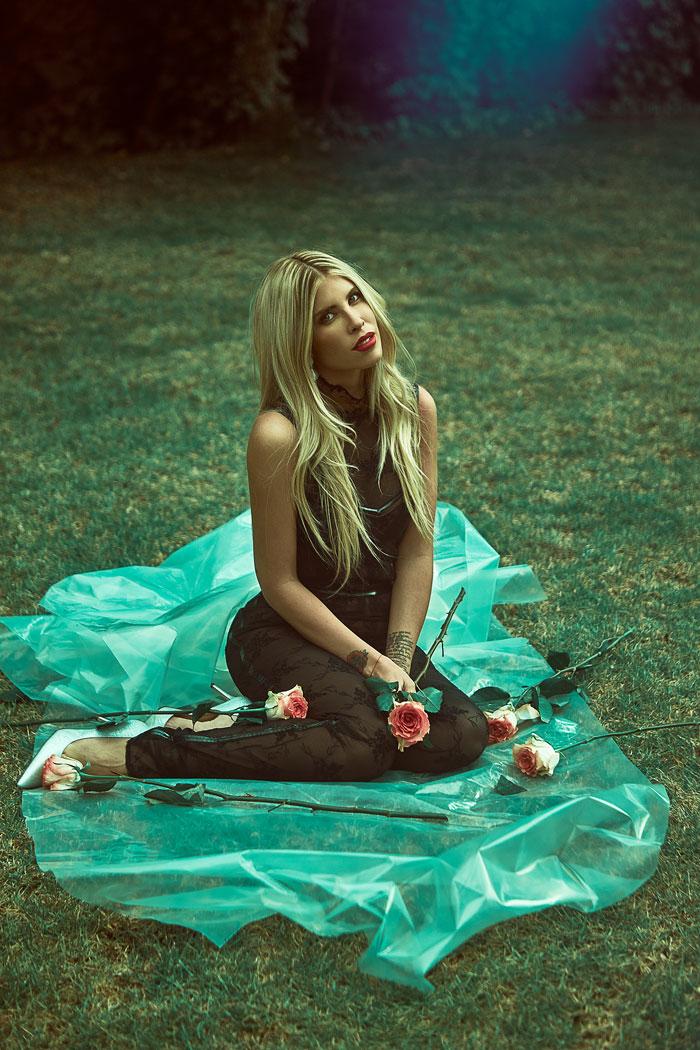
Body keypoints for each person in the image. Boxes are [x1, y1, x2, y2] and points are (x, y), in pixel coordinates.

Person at [42, 249, 490, 783]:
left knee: (460, 734)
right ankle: (143, 752)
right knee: (365, 742)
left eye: (355, 298)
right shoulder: (280, 433)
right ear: (300, 342)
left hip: (377, 626)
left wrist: (396, 656)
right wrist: (371, 665)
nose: (356, 319)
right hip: (286, 632)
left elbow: (417, 551)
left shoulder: (414, 409)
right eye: (328, 316)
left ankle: (235, 725)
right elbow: (279, 582)